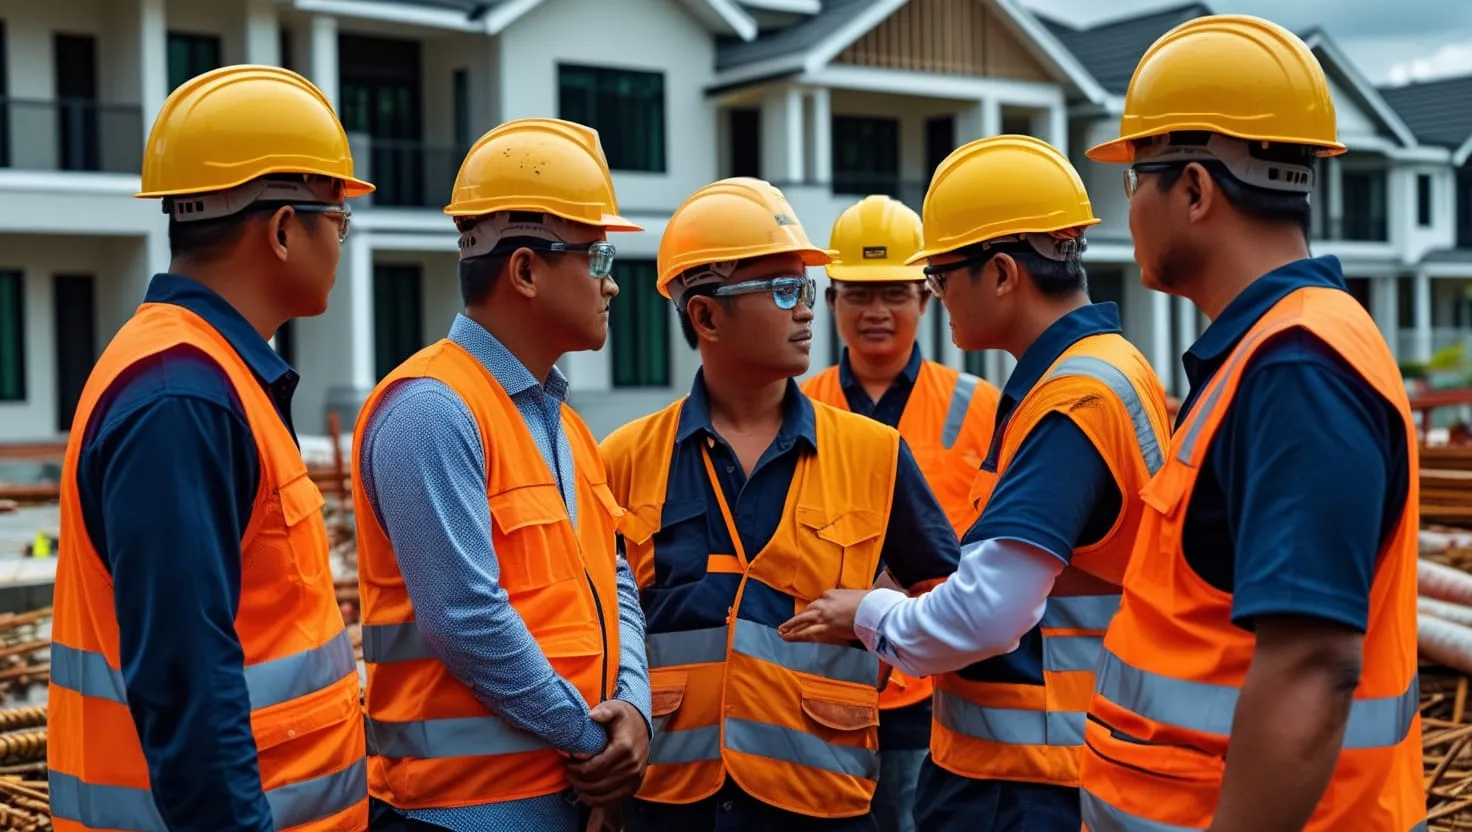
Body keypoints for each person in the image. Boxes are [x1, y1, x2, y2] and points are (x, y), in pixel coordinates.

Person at [1076, 15, 1424, 832]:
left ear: (1195, 190)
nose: (1127, 210)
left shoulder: (1297, 369)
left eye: (1136, 180)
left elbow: (1312, 665)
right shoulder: (1274, 355)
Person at [779, 135, 1170, 832]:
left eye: (936, 278)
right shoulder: (1113, 368)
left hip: (1028, 776)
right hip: (1064, 755)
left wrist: (866, 614)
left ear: (1000, 274)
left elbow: (990, 609)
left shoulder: (1071, 401)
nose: (935, 296)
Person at [48, 65, 372, 832]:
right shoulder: (181, 399)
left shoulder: (209, 377)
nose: (342, 241)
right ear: (284, 229)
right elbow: (187, 684)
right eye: (339, 219)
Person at [598, 177, 962, 832]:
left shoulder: (874, 453)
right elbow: (596, 623)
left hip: (821, 800)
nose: (807, 313)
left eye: (806, 290)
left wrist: (881, 627)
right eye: (784, 290)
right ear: (705, 316)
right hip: (671, 802)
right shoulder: (625, 459)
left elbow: (951, 600)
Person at [353, 118, 652, 831]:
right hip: (458, 811)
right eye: (598, 257)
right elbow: (465, 618)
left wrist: (635, 711)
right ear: (524, 270)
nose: (611, 285)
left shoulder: (567, 428)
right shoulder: (432, 410)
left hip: (565, 798)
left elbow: (614, 580)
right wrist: (592, 744)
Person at [800, 194, 1001, 832]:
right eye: (857, 293)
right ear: (832, 303)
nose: (877, 311)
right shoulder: (799, 408)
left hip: (935, 688)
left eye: (894, 291)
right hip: (817, 688)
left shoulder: (982, 406)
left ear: (924, 298)